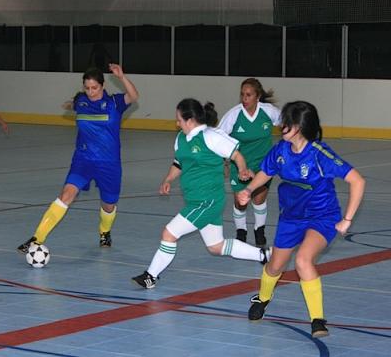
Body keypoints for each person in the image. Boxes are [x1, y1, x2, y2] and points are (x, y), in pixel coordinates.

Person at [238, 101, 365, 338]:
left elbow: (358, 180)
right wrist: (249, 190)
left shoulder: (320, 154)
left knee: (304, 261)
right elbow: (267, 171)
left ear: (298, 126)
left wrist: (347, 219)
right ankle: (263, 298)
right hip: (291, 218)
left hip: (322, 217)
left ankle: (318, 319)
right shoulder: (280, 150)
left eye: (286, 122)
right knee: (275, 266)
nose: (281, 126)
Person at [132, 98, 272, 289]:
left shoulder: (210, 136)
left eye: (179, 120)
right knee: (216, 246)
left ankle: (151, 276)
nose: (177, 123)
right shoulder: (181, 138)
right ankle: (263, 255)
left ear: (190, 120)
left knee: (169, 233)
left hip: (207, 201)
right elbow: (179, 163)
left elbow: (236, 155)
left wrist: (241, 170)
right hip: (195, 200)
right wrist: (168, 179)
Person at [17, 63, 139, 252]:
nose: (90, 92)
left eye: (94, 88)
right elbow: (73, 105)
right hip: (83, 160)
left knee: (109, 204)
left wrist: (122, 77)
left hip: (109, 163)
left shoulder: (115, 103)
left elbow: (134, 96)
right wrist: (70, 104)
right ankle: (36, 239)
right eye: (87, 88)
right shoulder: (81, 101)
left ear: (103, 86)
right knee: (66, 195)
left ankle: (104, 231)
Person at [219, 78, 280, 247]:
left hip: (263, 164)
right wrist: (223, 161)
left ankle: (259, 230)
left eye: (248, 95)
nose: (244, 98)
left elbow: (288, 126)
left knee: (259, 199)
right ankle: (241, 231)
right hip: (240, 164)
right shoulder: (234, 114)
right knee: (241, 200)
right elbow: (218, 138)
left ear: (257, 96)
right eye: (242, 95)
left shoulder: (269, 112)